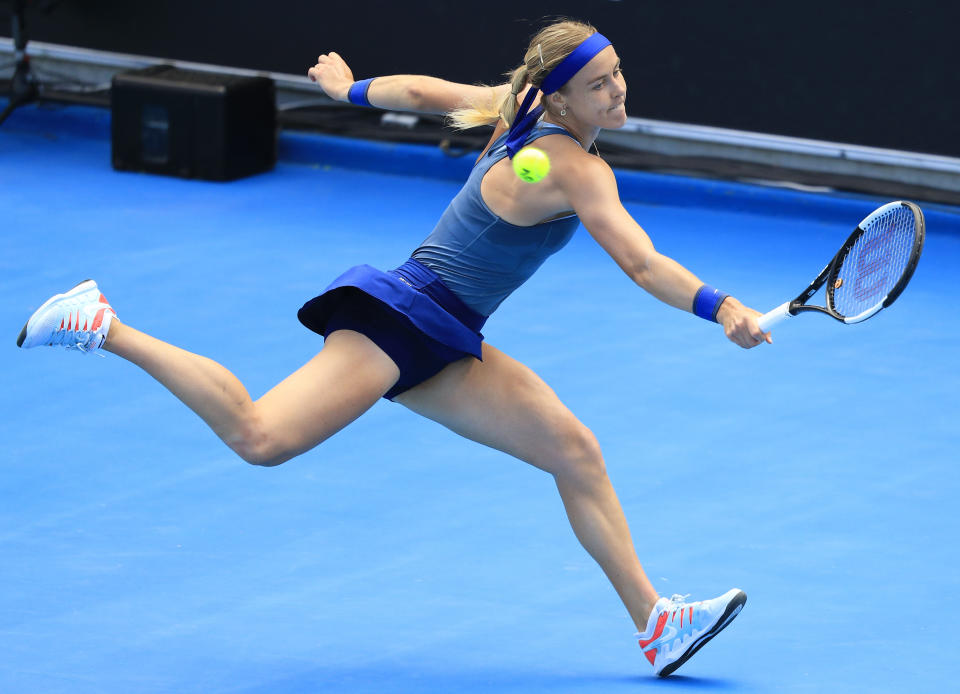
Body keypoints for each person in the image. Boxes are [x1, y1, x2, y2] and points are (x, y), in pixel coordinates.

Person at [17, 19, 770, 678]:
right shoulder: (575, 166)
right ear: (563, 97)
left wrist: (351, 91)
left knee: (573, 450)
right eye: (600, 84)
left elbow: (421, 92)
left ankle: (656, 624)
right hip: (403, 320)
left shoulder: (523, 110)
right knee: (259, 436)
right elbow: (640, 261)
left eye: (617, 75)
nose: (617, 91)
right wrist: (720, 305)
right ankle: (102, 324)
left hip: (446, 337)